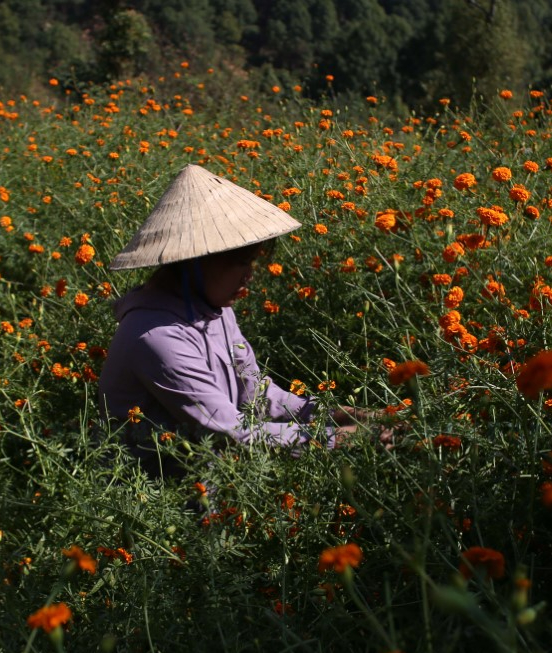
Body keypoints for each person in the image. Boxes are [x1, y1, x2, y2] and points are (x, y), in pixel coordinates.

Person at [98, 163, 383, 477]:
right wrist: (339, 440)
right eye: (241, 262)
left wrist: (343, 415)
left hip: (215, 486)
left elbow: (256, 397)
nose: (250, 275)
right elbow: (228, 432)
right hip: (155, 502)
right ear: (195, 259)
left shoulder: (214, 312)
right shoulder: (155, 336)